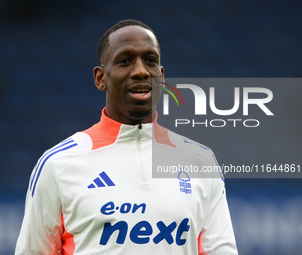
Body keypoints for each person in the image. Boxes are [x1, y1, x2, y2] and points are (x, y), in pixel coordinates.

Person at [15, 19, 238, 255]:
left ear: (161, 76)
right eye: (125, 61)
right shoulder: (58, 164)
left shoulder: (201, 161)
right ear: (101, 78)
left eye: (150, 61)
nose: (141, 71)